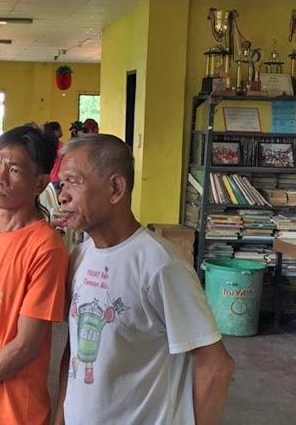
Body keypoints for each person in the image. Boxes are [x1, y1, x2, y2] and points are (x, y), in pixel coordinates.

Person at [54, 134, 234, 425]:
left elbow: (216, 366)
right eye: (62, 184)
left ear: (115, 188)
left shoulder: (160, 264)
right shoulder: (80, 257)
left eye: (74, 182)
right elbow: (74, 350)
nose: (63, 195)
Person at [0, 126, 68, 425]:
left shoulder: (46, 247)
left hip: (12, 412)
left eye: (15, 170)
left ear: (40, 183)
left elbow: (25, 346)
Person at [43, 121, 63, 192]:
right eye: (59, 129)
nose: (61, 131)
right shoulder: (62, 146)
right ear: (55, 132)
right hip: (58, 179)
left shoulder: (44, 146)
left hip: (48, 179)